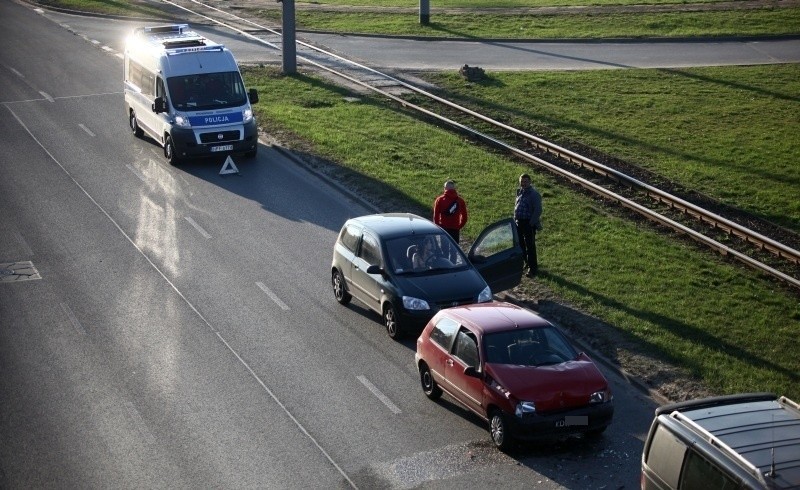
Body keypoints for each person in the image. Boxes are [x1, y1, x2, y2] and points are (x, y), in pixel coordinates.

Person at [514, 173, 542, 277]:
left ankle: (532, 268)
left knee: (530, 246)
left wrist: (531, 223)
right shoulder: (520, 192)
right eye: (522, 181)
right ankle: (526, 262)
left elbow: (538, 210)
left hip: (528, 223)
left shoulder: (534, 194)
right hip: (518, 222)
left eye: (525, 181)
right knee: (521, 245)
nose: (523, 183)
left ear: (530, 182)